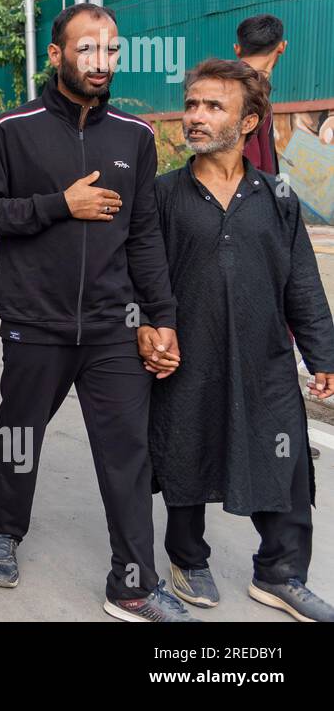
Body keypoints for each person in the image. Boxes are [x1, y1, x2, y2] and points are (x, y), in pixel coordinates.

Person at [0, 2, 193, 622]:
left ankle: (133, 584)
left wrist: (160, 314)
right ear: (57, 54)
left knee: (127, 452)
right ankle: (3, 529)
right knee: (21, 435)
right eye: (87, 49)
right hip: (33, 321)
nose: (101, 61)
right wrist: (58, 205)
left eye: (111, 50)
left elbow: (144, 232)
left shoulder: (136, 136)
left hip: (112, 325)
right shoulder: (14, 129)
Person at [147, 58, 334, 621]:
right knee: (185, 450)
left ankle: (280, 573)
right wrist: (144, 331)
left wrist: (323, 354)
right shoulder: (163, 195)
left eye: (214, 107)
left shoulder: (278, 196)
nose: (196, 117)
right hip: (189, 358)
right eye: (193, 105)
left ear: (249, 122)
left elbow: (301, 279)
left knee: (285, 461)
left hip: (266, 361)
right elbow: (139, 278)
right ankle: (188, 558)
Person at [233, 14, 285, 174]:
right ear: (282, 47)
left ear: (237, 49)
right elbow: (250, 163)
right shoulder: (249, 88)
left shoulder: (227, 83)